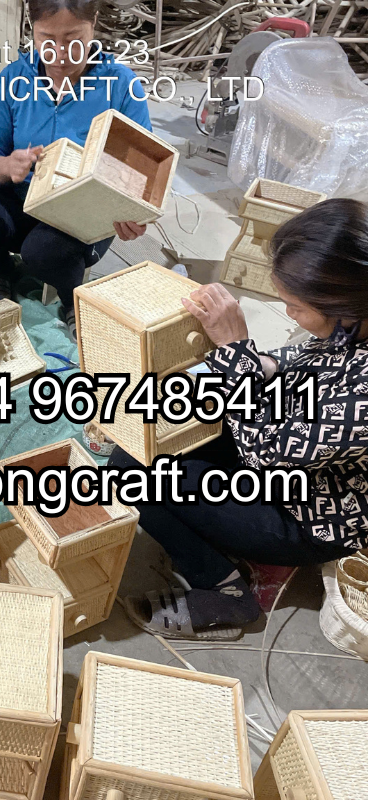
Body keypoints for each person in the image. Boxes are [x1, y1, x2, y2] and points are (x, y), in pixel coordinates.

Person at [112, 198, 368, 640]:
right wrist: (255, 363)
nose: (289, 314)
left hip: (308, 515)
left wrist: (236, 354)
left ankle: (226, 591)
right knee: (139, 447)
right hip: (288, 451)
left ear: (342, 302)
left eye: (296, 307)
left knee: (135, 475)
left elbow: (266, 456)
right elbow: (302, 358)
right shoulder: (354, 322)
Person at [0, 0, 151, 342]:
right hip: (24, 198)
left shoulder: (120, 85)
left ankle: (72, 296)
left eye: (73, 39)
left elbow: (142, 173)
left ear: (94, 23)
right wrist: (6, 166)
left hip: (85, 216)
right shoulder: (14, 78)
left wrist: (132, 212)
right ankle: (3, 269)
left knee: (44, 251)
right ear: (32, 30)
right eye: (47, 39)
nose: (60, 54)